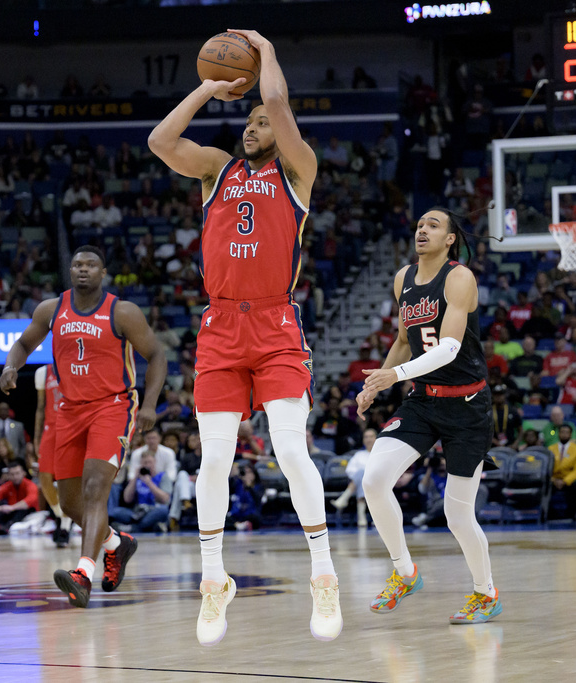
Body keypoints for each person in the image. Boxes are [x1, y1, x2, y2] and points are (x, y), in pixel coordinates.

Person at [148, 28, 341, 645]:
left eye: (263, 120)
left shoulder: (299, 171)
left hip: (277, 324)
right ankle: (213, 583)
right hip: (221, 326)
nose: (255, 125)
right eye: (249, 120)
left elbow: (281, 108)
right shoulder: (215, 170)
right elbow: (160, 141)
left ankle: (323, 573)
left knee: (289, 451)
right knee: (215, 460)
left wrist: (269, 56)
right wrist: (207, 87)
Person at [0, 245, 167, 608]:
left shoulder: (122, 312)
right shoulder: (51, 309)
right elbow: (24, 343)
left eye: (91, 265)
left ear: (103, 272)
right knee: (71, 505)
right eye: (77, 264)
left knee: (95, 489)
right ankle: (116, 544)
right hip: (69, 412)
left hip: (112, 407)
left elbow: (157, 355)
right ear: (70, 271)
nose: (83, 270)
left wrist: (150, 405)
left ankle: (83, 574)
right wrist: (11, 366)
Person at [357, 207, 502, 625]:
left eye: (433, 225)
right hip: (423, 400)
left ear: (451, 238)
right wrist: (374, 384)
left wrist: (394, 376)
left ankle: (485, 592)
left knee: (457, 513)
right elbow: (405, 340)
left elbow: (450, 347)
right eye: (420, 224)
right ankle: (405, 573)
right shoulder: (404, 278)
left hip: (467, 406)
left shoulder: (459, 277)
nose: (423, 229)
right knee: (374, 478)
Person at [35, 363, 72, 547]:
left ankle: (65, 526)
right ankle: (61, 516)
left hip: (72, 428)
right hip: (50, 430)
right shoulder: (43, 372)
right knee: (44, 479)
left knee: (68, 479)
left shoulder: (76, 367)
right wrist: (36, 438)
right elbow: (40, 407)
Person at [331, 427, 376, 527]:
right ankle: (361, 516)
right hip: (361, 483)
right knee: (361, 475)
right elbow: (350, 470)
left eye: (371, 437)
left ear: (376, 439)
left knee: (362, 474)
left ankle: (344, 499)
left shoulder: (380, 454)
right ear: (363, 440)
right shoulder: (359, 454)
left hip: (377, 482)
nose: (368, 439)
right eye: (366, 437)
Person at [0, 459, 38, 533]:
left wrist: (12, 507)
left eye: (17, 473)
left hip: (25, 513)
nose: (15, 476)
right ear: (8, 475)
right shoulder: (7, 486)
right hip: (11, 512)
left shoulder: (30, 485)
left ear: (23, 473)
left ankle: (8, 525)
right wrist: (0, 508)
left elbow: (30, 500)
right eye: (12, 474)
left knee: (24, 509)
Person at [548, 424, 576, 519]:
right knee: (543, 485)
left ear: (570, 434)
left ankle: (572, 514)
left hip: (570, 479)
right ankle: (549, 514)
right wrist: (553, 480)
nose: (564, 434)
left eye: (567, 432)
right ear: (558, 433)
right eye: (562, 432)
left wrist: (565, 481)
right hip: (555, 479)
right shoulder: (550, 449)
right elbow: (547, 469)